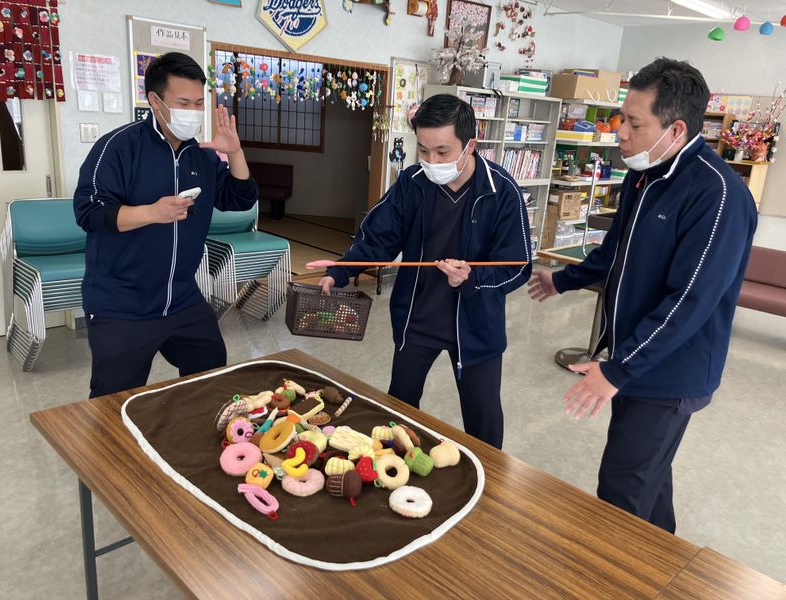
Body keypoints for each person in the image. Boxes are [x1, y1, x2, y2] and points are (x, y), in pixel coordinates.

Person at [528, 58, 757, 532]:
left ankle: (620, 568)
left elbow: (690, 300)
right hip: (635, 354)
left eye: (634, 124)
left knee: (621, 489)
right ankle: (664, 560)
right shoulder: (643, 175)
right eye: (621, 120)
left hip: (671, 372)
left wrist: (618, 370)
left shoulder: (718, 195)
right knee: (649, 477)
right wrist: (562, 280)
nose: (621, 133)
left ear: (676, 129)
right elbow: (614, 251)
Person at [320, 94, 532, 448]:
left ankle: (489, 478)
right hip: (418, 317)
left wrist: (473, 278)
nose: (432, 162)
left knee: (483, 420)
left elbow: (517, 266)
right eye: (423, 150)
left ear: (471, 145)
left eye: (443, 152)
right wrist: (340, 270)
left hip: (477, 325)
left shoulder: (502, 192)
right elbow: (378, 237)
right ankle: (396, 467)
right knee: (399, 412)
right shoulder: (413, 182)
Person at [74, 52, 257, 398]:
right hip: (121, 304)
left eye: (199, 103)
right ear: (155, 101)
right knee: (114, 402)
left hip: (182, 298)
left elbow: (240, 198)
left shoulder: (202, 153)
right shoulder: (118, 147)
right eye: (183, 103)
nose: (192, 111)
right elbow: (89, 212)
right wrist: (151, 213)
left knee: (211, 378)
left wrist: (234, 153)